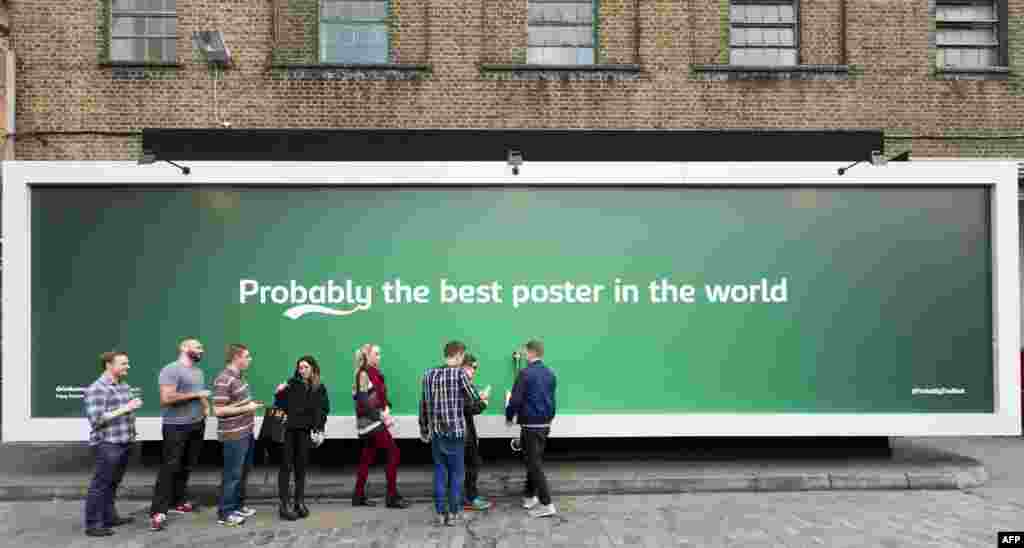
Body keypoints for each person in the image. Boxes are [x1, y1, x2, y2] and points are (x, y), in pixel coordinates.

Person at [419, 341, 483, 526]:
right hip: (456, 433)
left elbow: (423, 404)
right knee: (456, 474)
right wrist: (481, 400)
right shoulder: (460, 374)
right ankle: (454, 514)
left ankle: (440, 514)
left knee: (440, 472)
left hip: (437, 433)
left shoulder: (428, 374)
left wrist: (424, 429)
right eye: (463, 356)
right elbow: (474, 398)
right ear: (459, 355)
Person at [150, 338, 211, 532]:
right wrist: (196, 395)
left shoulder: (198, 371)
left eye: (202, 347)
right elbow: (166, 398)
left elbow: (199, 394)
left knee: (186, 466)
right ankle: (158, 511)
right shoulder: (171, 369)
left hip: (196, 424)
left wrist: (206, 407)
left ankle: (178, 501)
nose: (202, 350)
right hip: (175, 426)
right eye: (198, 347)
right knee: (170, 467)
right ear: (184, 348)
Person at [83, 351, 142, 537]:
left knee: (113, 483)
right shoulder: (97, 388)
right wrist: (126, 408)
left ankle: (109, 517)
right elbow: (96, 419)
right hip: (108, 443)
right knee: (100, 484)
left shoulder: (123, 385)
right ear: (109, 365)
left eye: (127, 363)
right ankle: (93, 524)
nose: (128, 367)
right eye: (123, 363)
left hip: (124, 442)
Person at [352, 344, 409, 509]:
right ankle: (391, 496)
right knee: (393, 453)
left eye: (379, 354)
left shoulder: (372, 373)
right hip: (371, 422)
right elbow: (362, 400)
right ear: (367, 356)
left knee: (366, 458)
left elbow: (376, 396)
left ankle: (358, 495)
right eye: (376, 354)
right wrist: (381, 415)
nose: (379, 357)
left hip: (370, 421)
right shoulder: (363, 373)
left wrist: (386, 406)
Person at [212, 344, 263, 527]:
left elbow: (234, 404)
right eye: (247, 356)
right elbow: (218, 410)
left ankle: (238, 506)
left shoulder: (239, 378)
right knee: (232, 474)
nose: (250, 360)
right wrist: (246, 408)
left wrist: (248, 405)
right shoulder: (223, 379)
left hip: (246, 432)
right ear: (236, 357)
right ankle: (225, 513)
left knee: (242, 472)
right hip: (233, 435)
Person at [274, 355, 330, 520]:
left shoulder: (319, 387)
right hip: (289, 431)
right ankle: (284, 505)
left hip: (305, 432)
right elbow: (280, 405)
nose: (303, 370)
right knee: (286, 466)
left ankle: (299, 502)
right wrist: (278, 392)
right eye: (300, 368)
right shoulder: (291, 384)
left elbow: (323, 409)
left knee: (301, 467)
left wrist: (319, 429)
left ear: (313, 368)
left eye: (306, 367)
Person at [505, 339, 557, 518]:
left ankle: (547, 503)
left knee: (533, 464)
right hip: (544, 425)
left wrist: (509, 416)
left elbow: (515, 400)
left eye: (526, 352)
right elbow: (552, 400)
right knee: (532, 461)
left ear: (531, 353)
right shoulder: (550, 374)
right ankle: (529, 497)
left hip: (530, 425)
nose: (525, 355)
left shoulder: (525, 374)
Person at [461, 354, 491, 511]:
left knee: (467, 464)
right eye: (473, 367)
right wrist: (484, 402)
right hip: (464, 432)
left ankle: (465, 497)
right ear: (465, 366)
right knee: (472, 463)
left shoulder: (462, 382)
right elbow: (468, 408)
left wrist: (478, 397)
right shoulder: (462, 382)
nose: (475, 371)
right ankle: (470, 498)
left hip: (464, 430)